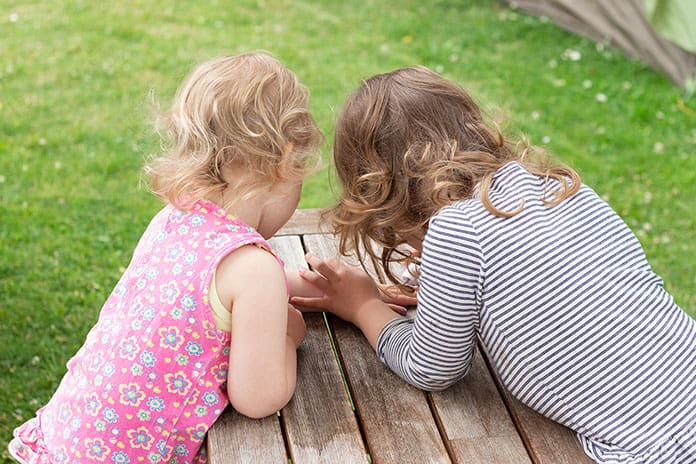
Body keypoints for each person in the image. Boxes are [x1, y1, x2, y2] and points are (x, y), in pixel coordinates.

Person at [292, 66, 696, 463]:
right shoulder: (562, 187)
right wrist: (432, 281)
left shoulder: (456, 229)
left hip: (659, 445)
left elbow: (431, 367)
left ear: (379, 190)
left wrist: (363, 306)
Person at [8, 52, 327, 463]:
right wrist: (289, 335)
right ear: (286, 159)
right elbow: (259, 397)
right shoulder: (255, 269)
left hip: (73, 438)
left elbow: (206, 290)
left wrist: (303, 285)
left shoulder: (175, 218)